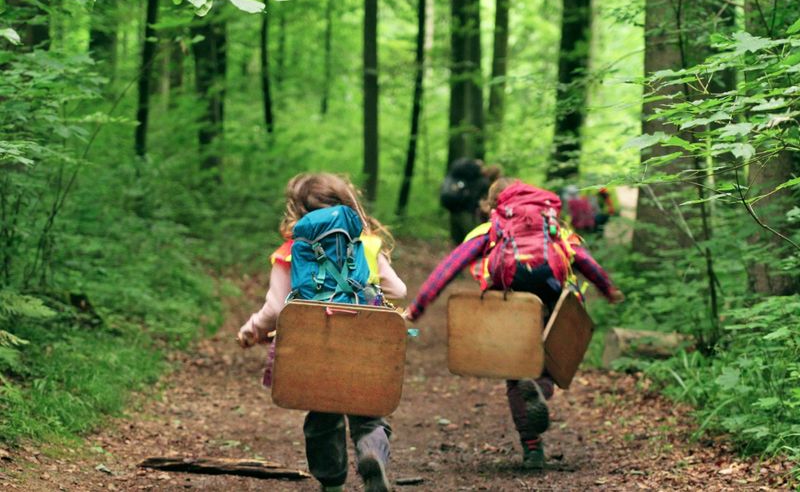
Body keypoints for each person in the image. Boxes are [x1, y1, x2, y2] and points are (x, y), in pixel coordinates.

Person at [404, 178, 624, 469]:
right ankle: (541, 391)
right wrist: (608, 290)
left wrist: (418, 308)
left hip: (511, 300)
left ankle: (532, 449)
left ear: (493, 204)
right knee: (547, 364)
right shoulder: (553, 226)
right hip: (551, 300)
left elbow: (451, 265)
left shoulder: (493, 227)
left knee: (516, 373)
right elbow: (584, 260)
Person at [237, 173, 407, 492]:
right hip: (363, 345)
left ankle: (331, 485)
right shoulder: (366, 244)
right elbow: (398, 289)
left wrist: (251, 331)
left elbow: (275, 310)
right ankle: (371, 453)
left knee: (322, 417)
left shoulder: (291, 249)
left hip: (316, 346)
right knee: (368, 413)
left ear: (297, 211)